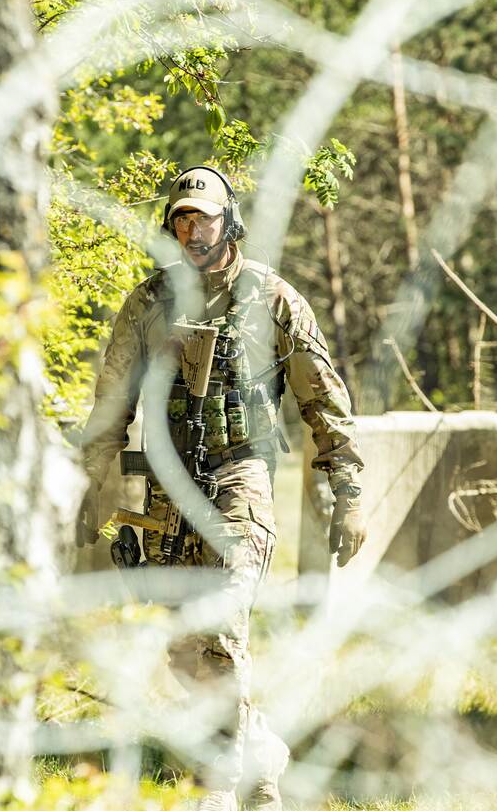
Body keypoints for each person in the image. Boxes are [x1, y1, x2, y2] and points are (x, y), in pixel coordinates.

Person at [76, 164, 367, 810]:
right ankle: (259, 749)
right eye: (181, 219)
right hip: (167, 488)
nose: (192, 231)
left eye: (203, 218)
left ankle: (224, 785)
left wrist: (347, 493)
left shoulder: (273, 299)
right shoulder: (149, 303)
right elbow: (111, 404)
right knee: (186, 649)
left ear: (228, 222)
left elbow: (326, 401)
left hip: (241, 478)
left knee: (222, 620)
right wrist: (93, 488)